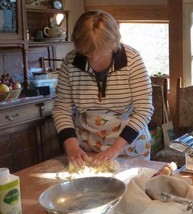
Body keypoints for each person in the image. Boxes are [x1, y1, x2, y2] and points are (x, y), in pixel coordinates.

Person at [52, 10, 153, 167]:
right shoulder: (70, 62)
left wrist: (115, 149)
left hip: (129, 147)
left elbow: (144, 110)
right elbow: (61, 109)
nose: (93, 59)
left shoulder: (132, 60)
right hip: (87, 147)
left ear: (113, 44)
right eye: (87, 53)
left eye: (100, 52)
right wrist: (72, 147)